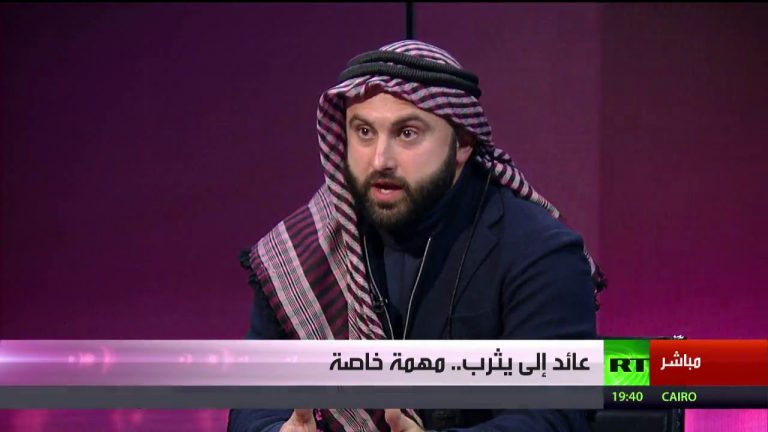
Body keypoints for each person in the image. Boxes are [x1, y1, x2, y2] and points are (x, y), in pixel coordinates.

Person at [228, 40, 606, 432]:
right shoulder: (302, 252)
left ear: (462, 142)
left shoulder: (540, 252)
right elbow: (252, 404)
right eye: (364, 132)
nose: (380, 160)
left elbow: (551, 415)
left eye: (407, 133)